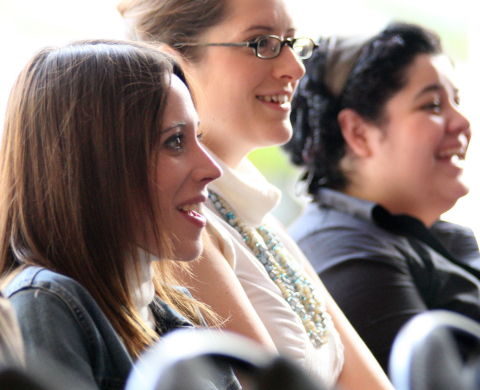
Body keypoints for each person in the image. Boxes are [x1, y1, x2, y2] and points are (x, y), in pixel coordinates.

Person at [118, 0, 394, 388]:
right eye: (262, 43)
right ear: (174, 67)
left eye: (292, 43)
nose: (296, 68)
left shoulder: (254, 211)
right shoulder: (179, 226)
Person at [0, 39, 241, 390]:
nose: (211, 168)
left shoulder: (179, 314)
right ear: (94, 167)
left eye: (197, 136)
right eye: (175, 141)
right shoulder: (46, 303)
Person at [284, 22, 479, 372]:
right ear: (358, 133)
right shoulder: (343, 249)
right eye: (433, 105)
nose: (462, 121)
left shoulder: (431, 234)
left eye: (457, 101)